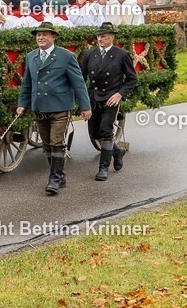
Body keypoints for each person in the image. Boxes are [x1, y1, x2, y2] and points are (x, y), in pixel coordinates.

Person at [16, 22, 92, 195]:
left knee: (56, 142)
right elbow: (26, 84)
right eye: (38, 35)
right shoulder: (31, 56)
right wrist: (22, 104)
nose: (40, 38)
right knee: (47, 144)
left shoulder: (66, 56)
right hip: (39, 107)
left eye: (44, 35)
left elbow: (78, 83)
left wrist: (85, 106)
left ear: (54, 37)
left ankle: (54, 179)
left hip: (60, 107)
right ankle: (60, 175)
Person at [79, 22, 137, 181]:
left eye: (103, 36)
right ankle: (117, 151)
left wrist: (119, 94)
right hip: (93, 98)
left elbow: (132, 79)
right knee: (95, 133)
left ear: (112, 37)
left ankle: (103, 168)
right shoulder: (89, 54)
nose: (100, 39)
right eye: (98, 36)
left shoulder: (122, 54)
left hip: (111, 98)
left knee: (105, 131)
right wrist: (82, 99)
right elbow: (81, 78)